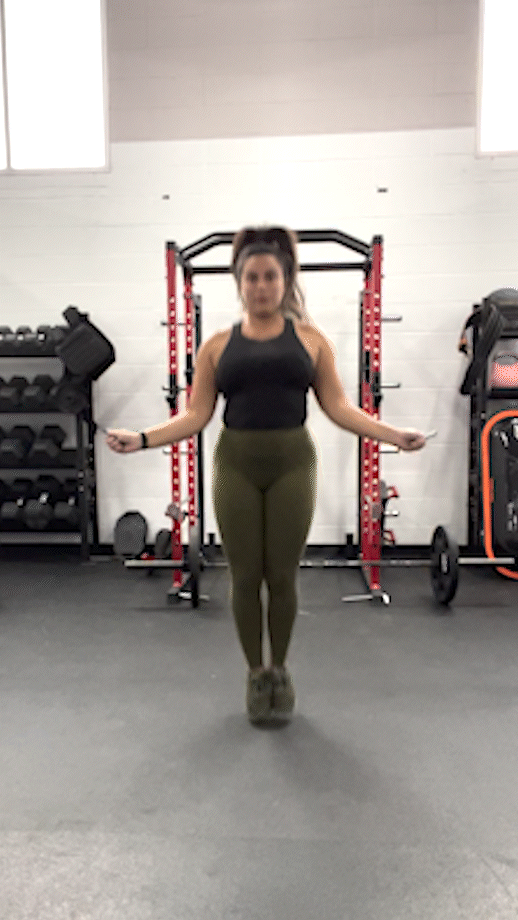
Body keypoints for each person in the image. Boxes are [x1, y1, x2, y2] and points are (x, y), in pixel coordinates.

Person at [106, 225, 426, 726]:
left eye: (270, 276)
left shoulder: (311, 340)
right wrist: (142, 438)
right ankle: (255, 673)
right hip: (235, 463)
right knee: (244, 575)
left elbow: (340, 407)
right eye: (251, 277)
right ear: (239, 282)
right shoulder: (215, 347)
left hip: (293, 463)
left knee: (281, 576)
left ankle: (280, 668)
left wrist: (392, 434)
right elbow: (195, 416)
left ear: (285, 280)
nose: (260, 286)